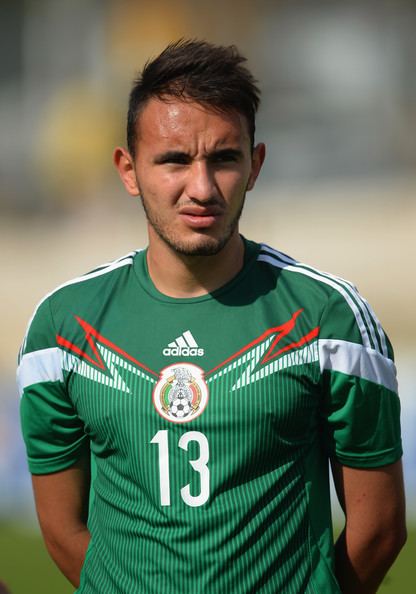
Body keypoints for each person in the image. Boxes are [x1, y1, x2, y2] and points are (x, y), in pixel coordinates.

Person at [17, 39, 406, 594]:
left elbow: (381, 532)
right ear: (128, 170)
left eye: (224, 158)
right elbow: (61, 531)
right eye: (174, 160)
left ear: (255, 165)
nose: (201, 189)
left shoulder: (330, 319)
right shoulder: (61, 330)